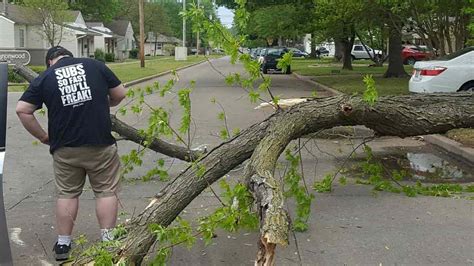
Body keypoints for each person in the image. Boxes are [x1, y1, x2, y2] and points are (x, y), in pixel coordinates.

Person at [16, 46, 126, 261]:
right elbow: (120, 93)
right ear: (70, 57)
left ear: (50, 61)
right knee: (106, 191)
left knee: (67, 193)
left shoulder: (45, 77)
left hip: (65, 148)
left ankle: (63, 244)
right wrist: (105, 103)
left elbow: (23, 109)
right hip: (100, 144)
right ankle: (109, 239)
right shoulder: (95, 66)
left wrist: (43, 136)